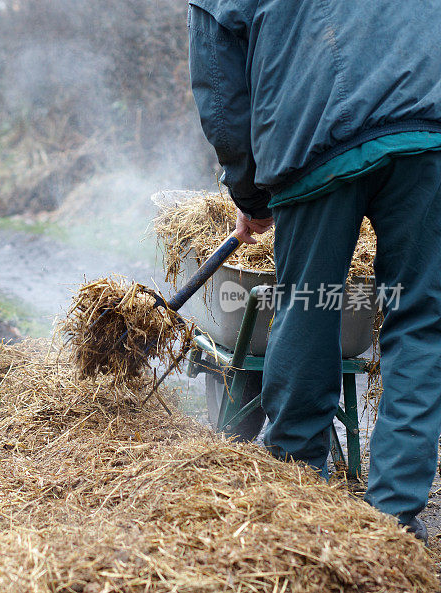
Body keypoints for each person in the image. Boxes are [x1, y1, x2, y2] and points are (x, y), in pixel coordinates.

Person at [187, 0, 441, 542]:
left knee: (308, 305)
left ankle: (298, 492)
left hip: (314, 137)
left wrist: (251, 194)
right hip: (427, 132)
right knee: (418, 320)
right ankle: (393, 519)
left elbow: (221, 93)